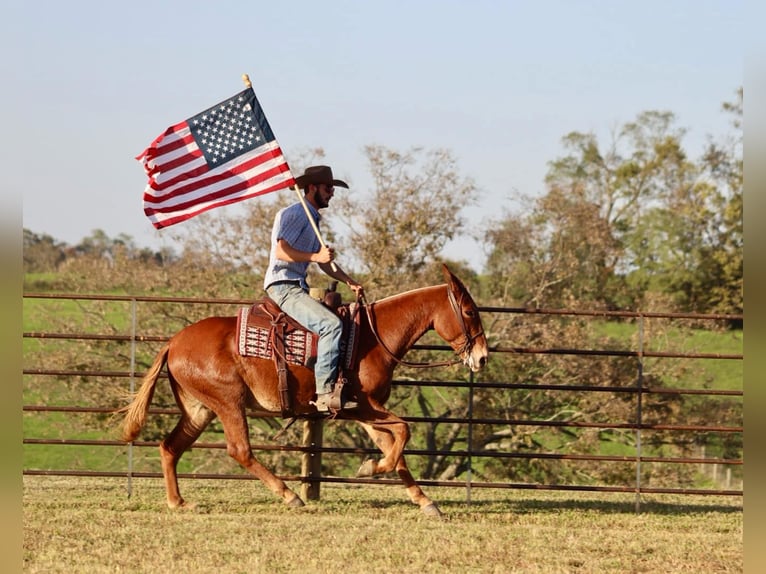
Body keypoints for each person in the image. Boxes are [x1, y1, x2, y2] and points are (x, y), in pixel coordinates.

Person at [264, 165, 364, 412]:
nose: (332, 193)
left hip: (296, 285)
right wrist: (315, 256)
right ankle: (324, 393)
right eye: (328, 187)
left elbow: (325, 264)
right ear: (312, 188)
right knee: (331, 325)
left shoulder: (313, 218)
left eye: (332, 188)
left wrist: (349, 280)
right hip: (283, 285)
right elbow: (281, 251)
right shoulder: (296, 213)